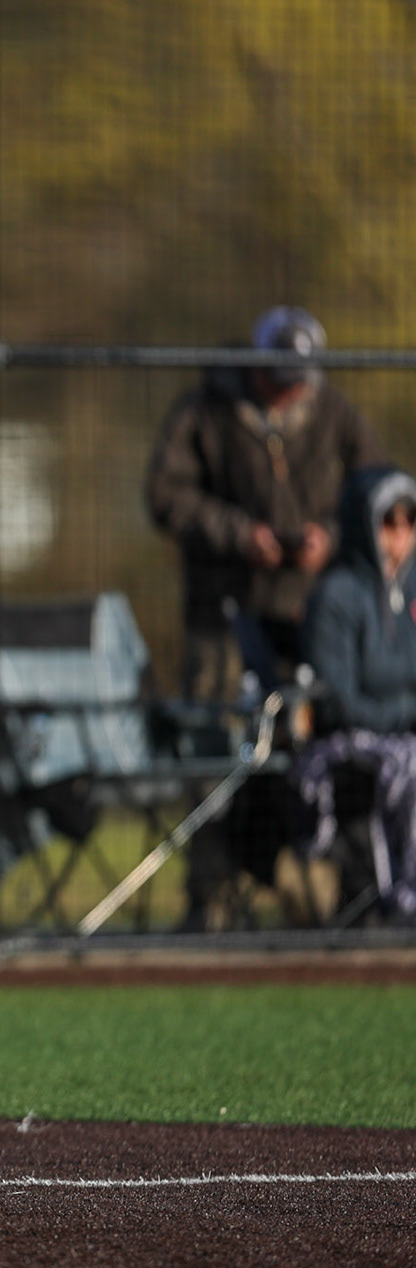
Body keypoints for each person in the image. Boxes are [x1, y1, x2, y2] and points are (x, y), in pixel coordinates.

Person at [145, 306, 385, 928]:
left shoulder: (335, 412)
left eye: (302, 375)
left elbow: (379, 490)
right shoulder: (206, 409)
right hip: (222, 613)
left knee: (318, 745)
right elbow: (165, 495)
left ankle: (330, 885)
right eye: (279, 375)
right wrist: (239, 533)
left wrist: (331, 538)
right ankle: (210, 895)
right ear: (254, 365)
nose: (291, 388)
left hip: (309, 614)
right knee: (212, 745)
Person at [295, 467, 416, 921]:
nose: (401, 535)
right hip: (347, 743)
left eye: (410, 521)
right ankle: (401, 898)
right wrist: (406, 710)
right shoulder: (336, 596)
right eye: (389, 521)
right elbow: (341, 700)